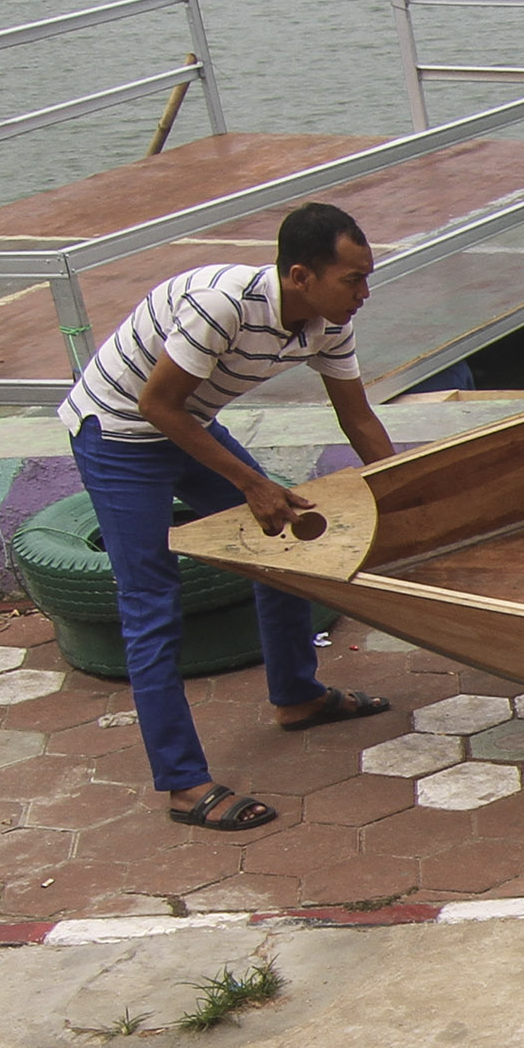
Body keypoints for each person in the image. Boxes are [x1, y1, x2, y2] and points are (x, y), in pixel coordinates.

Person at [58, 202, 401, 831]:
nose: (364, 293)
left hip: (188, 425)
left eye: (366, 276)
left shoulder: (329, 321)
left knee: (288, 548)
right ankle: (184, 785)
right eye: (352, 279)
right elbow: (157, 405)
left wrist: (415, 493)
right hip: (119, 430)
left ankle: (298, 696)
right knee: (151, 601)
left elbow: (357, 420)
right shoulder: (224, 304)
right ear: (301, 276)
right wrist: (252, 484)